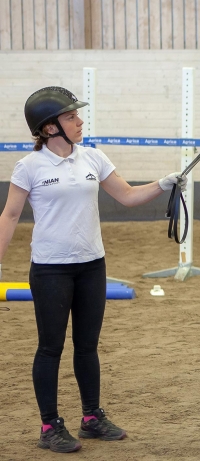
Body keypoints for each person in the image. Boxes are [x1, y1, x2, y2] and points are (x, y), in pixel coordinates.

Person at [0, 86, 188, 453]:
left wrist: (163, 183)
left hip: (91, 266)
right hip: (51, 269)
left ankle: (91, 418)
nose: (80, 121)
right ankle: (49, 426)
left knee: (87, 346)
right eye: (71, 117)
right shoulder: (29, 167)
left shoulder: (93, 157)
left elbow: (127, 195)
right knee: (50, 348)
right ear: (49, 127)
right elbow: (9, 216)